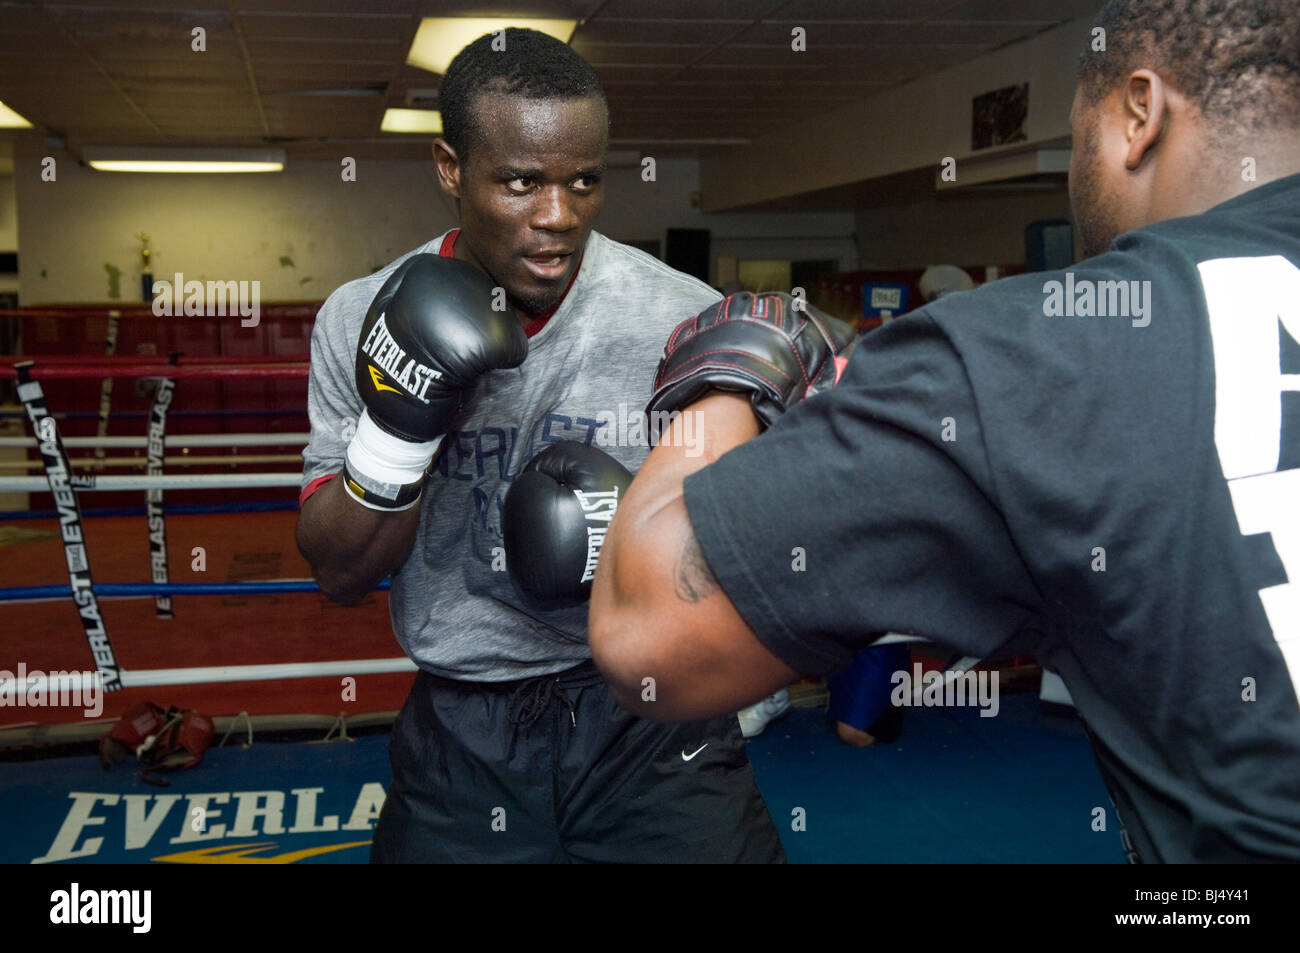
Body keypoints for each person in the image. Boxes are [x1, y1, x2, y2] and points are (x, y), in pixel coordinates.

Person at [588, 0, 1300, 862]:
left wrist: (728, 371)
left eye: (1077, 136)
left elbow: (646, 627)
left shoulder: (1039, 356)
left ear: (1137, 114)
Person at [295, 28, 784, 863]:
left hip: (647, 715)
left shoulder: (680, 317)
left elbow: (760, 547)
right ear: (452, 169)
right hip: (464, 730)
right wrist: (398, 430)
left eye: (584, 181)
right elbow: (338, 572)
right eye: (521, 182)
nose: (558, 218)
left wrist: (637, 542)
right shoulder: (359, 318)